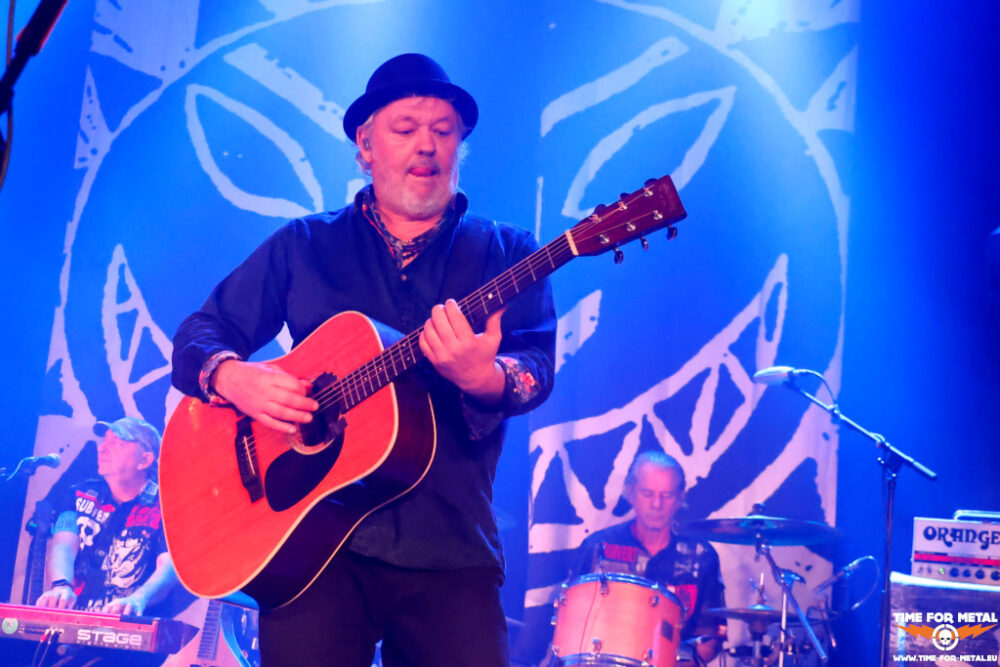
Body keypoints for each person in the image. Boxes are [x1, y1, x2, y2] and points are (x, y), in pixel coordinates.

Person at [170, 53, 556, 666]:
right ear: (366, 148)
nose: (426, 145)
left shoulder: (505, 252)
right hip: (310, 546)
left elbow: (535, 366)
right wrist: (232, 376)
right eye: (406, 129)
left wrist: (484, 377)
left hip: (448, 542)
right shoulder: (306, 244)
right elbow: (201, 331)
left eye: (444, 131)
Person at [512, 451, 727, 666]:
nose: (656, 504)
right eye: (647, 493)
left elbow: (711, 635)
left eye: (667, 495)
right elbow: (570, 620)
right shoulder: (599, 547)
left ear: (680, 498)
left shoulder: (701, 556)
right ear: (630, 492)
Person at [35, 417, 177, 616]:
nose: (102, 448)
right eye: (104, 441)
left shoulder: (168, 505)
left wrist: (139, 599)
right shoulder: (79, 493)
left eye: (118, 443)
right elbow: (63, 545)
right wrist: (61, 586)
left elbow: (169, 566)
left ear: (144, 460)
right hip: (75, 616)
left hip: (132, 621)